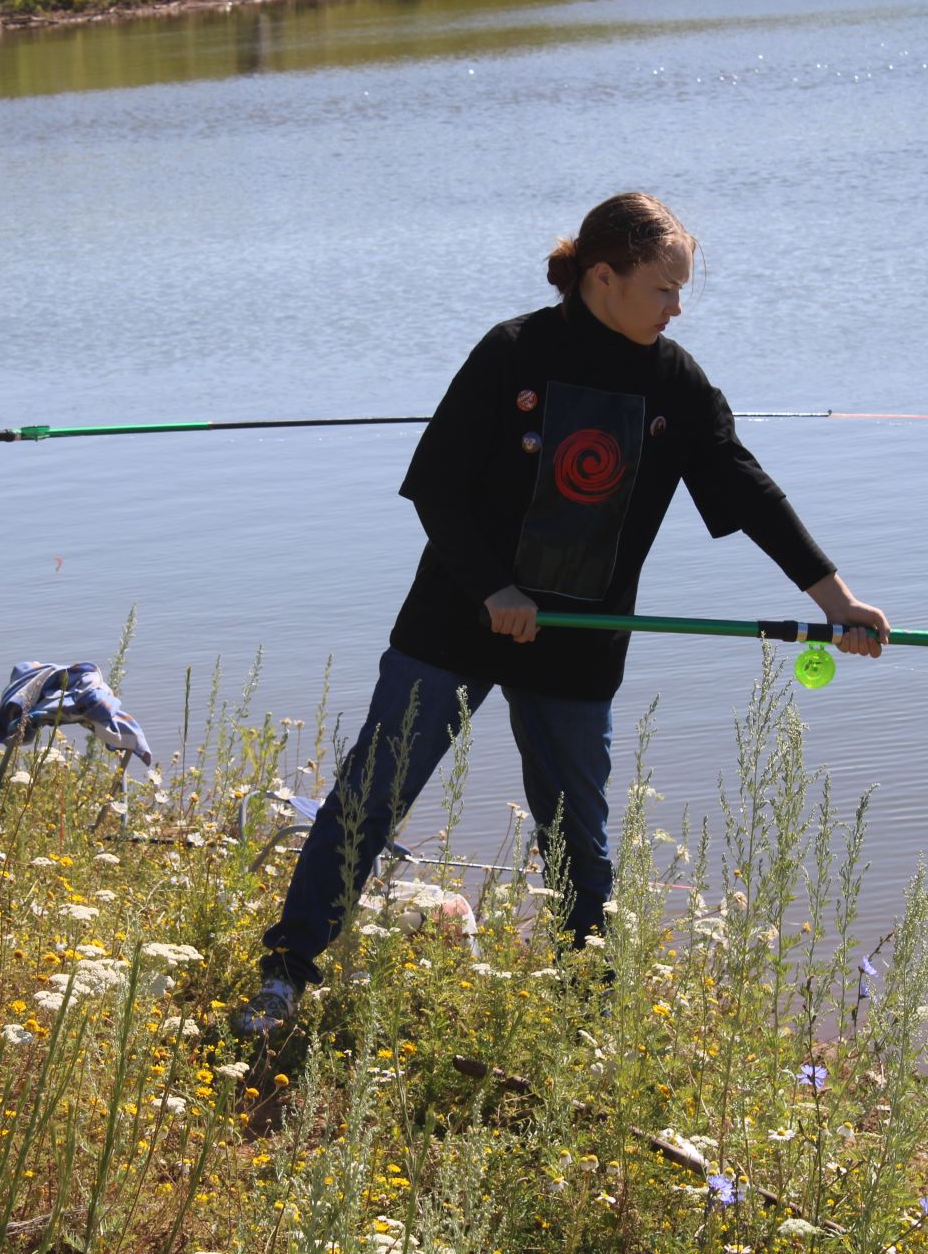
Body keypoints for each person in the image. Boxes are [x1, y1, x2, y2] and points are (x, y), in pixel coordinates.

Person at [234, 192, 889, 1037]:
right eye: (663, 289)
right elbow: (434, 484)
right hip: (455, 620)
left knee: (579, 839)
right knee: (369, 799)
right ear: (603, 277)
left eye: (683, 291)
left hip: (582, 641)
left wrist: (835, 600)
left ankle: (586, 1015)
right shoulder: (514, 352)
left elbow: (745, 487)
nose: (678, 308)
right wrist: (493, 590)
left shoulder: (674, 381)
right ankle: (286, 975)